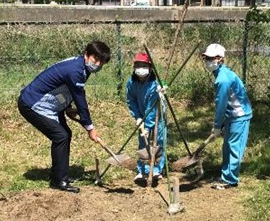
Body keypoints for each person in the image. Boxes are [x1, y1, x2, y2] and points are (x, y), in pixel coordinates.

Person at [18, 41, 111, 193]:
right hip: (32, 104)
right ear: (86, 54)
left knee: (65, 134)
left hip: (48, 102)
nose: (98, 64)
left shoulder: (81, 66)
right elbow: (80, 100)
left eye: (102, 62)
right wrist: (90, 128)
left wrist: (67, 107)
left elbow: (65, 88)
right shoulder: (75, 70)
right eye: (96, 59)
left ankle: (59, 175)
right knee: (60, 136)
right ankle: (59, 181)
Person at [202, 43, 252, 190]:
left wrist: (217, 126)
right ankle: (226, 175)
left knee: (234, 147)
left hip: (240, 116)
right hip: (232, 114)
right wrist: (223, 122)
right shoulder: (221, 73)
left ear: (220, 59)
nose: (208, 61)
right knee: (227, 147)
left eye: (212, 58)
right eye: (206, 58)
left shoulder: (223, 79)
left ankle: (230, 180)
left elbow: (221, 105)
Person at [126, 52, 167, 183]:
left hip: (156, 117)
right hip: (142, 116)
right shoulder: (131, 82)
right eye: (138, 65)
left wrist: (148, 126)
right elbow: (130, 100)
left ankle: (156, 170)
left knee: (158, 141)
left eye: (143, 65)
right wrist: (138, 118)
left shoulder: (155, 85)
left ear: (150, 68)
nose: (140, 68)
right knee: (143, 142)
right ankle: (142, 170)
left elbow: (152, 107)